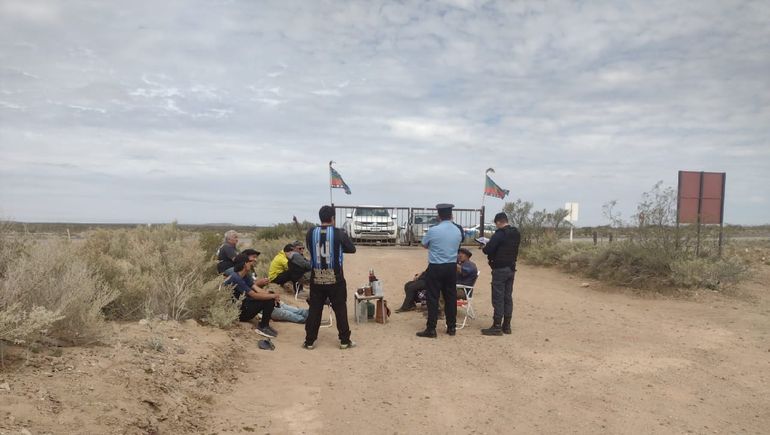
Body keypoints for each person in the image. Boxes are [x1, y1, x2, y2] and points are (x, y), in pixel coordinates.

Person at [303, 205, 356, 350]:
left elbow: (310, 248)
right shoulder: (339, 233)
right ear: (333, 218)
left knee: (315, 309)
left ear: (320, 217)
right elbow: (352, 249)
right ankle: (345, 340)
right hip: (335, 278)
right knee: (340, 309)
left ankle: (309, 341)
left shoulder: (310, 232)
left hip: (317, 277)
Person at [416, 203, 464, 338]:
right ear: (451, 215)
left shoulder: (433, 230)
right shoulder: (457, 230)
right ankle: (452, 327)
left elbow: (424, 245)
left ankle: (431, 329)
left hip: (436, 267)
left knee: (432, 298)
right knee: (450, 297)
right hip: (451, 267)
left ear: (438, 216)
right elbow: (458, 243)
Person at [480, 212, 521, 336]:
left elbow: (488, 250)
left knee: (498, 297)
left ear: (498, 222)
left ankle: (497, 326)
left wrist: (484, 246)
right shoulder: (516, 233)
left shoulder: (499, 234)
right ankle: (507, 326)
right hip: (511, 268)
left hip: (499, 269)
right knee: (507, 297)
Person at [224, 253, 282, 338]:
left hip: (243, 304)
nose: (252, 263)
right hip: (237, 313)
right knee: (269, 299)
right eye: (249, 262)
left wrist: (272, 295)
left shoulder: (245, 275)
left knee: (270, 296)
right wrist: (272, 297)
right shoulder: (235, 278)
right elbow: (254, 295)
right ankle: (263, 327)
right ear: (245, 264)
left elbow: (257, 289)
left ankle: (265, 325)